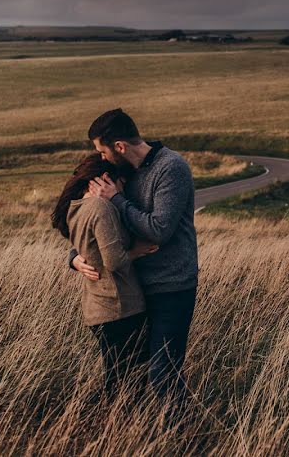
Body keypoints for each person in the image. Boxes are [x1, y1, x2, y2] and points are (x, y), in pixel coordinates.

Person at [66, 108, 199, 408]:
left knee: (163, 373)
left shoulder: (171, 168)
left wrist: (116, 199)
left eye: (102, 151)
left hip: (171, 287)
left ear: (120, 146)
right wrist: (75, 257)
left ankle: (182, 437)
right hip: (133, 293)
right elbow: (103, 227)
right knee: (132, 377)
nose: (100, 158)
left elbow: (159, 229)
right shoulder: (124, 173)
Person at [50, 153, 158, 400]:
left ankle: (111, 427)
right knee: (129, 385)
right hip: (120, 306)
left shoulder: (77, 207)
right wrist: (136, 251)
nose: (123, 191)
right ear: (107, 180)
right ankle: (118, 430)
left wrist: (74, 259)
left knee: (117, 378)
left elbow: (90, 250)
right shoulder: (101, 208)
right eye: (121, 184)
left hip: (98, 307)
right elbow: (114, 261)